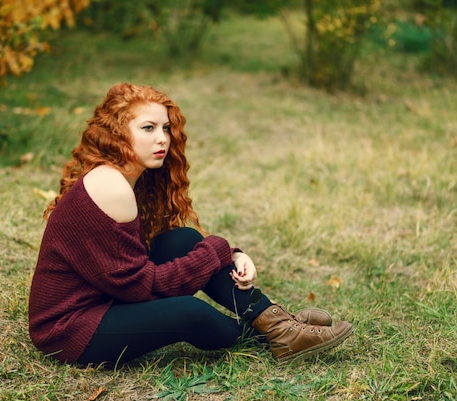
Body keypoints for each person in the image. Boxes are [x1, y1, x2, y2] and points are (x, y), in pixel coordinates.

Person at [28, 83, 353, 366]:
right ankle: (272, 334)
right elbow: (142, 287)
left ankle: (278, 324)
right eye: (148, 128)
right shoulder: (110, 186)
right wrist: (220, 250)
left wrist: (231, 254)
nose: (162, 139)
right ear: (118, 132)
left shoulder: (127, 177)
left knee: (181, 239)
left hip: (104, 297)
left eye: (165, 128)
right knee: (191, 312)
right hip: (70, 329)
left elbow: (146, 256)